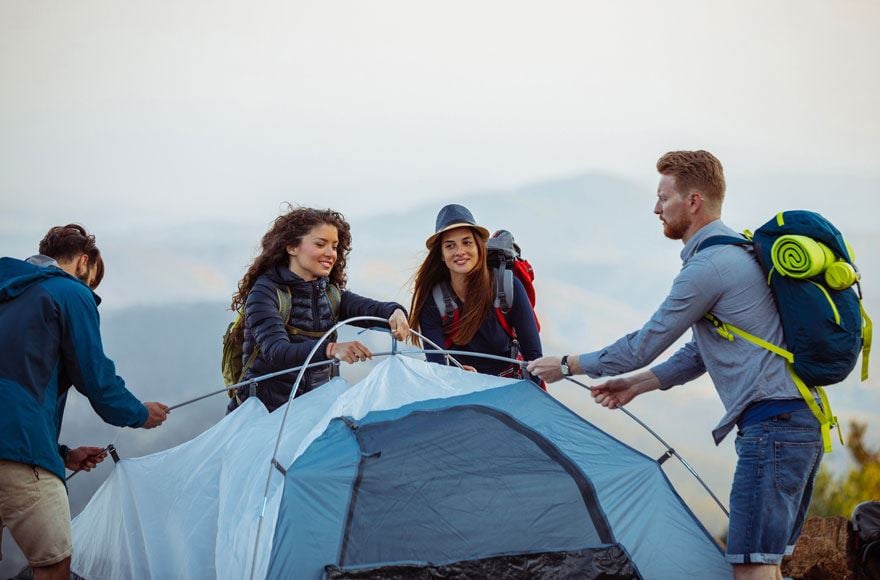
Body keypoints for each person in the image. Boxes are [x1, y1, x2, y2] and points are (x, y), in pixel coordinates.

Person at [528, 150, 824, 579]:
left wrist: (567, 365)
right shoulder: (738, 254)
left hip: (773, 429)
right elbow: (700, 353)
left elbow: (642, 344)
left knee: (750, 571)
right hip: (797, 423)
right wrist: (637, 385)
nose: (655, 208)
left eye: (663, 197)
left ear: (693, 201)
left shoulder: (708, 268)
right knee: (768, 567)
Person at [0, 224, 170, 580]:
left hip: (16, 441)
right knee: (53, 565)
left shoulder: (9, 288)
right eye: (93, 279)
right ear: (82, 262)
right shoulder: (69, 293)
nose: (90, 287)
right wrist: (141, 414)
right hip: (19, 451)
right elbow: (98, 382)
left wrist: (62, 455)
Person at [226, 206, 410, 413]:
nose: (331, 254)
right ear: (292, 247)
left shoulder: (329, 293)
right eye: (321, 244)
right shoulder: (265, 293)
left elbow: (372, 309)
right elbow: (277, 352)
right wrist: (332, 349)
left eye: (335, 246)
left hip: (313, 409)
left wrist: (396, 313)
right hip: (265, 415)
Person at [409, 204, 542, 383]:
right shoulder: (433, 300)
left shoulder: (506, 287)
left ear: (479, 247)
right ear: (441, 254)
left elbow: (534, 357)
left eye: (467, 242)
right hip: (459, 390)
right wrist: (457, 371)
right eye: (450, 246)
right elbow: (437, 367)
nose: (459, 252)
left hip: (509, 389)